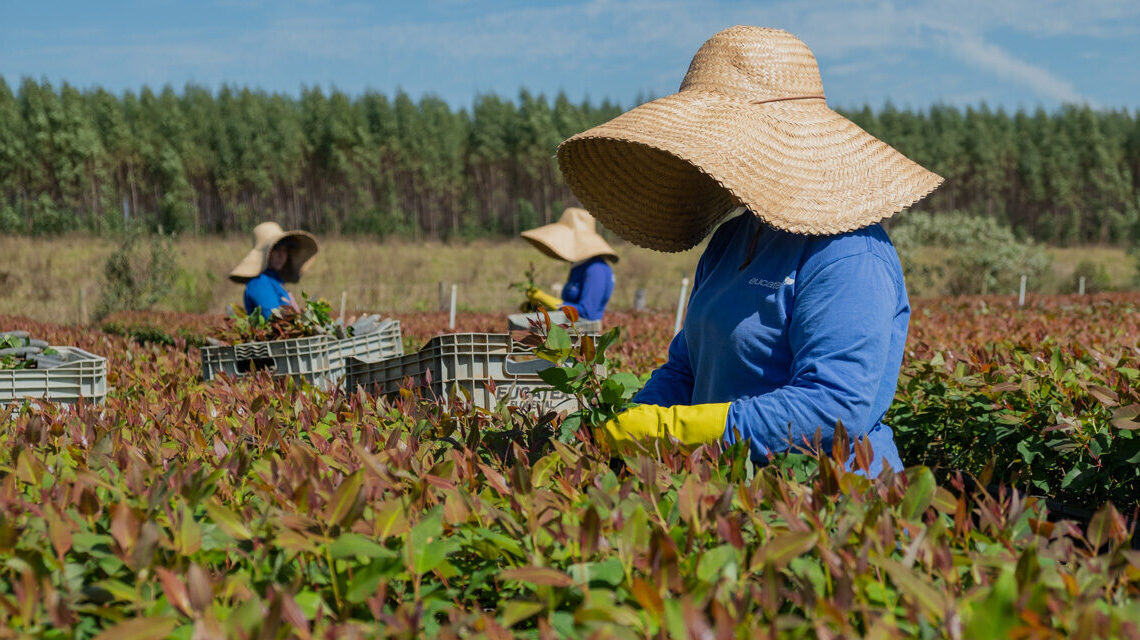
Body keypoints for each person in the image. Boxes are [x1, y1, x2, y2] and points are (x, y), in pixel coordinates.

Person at [555, 26, 943, 475]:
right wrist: (633, 422)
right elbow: (686, 368)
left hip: (830, 499)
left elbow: (833, 409)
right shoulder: (731, 240)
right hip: (728, 489)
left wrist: (681, 430)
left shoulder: (849, 254)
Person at [513, 207, 618, 327]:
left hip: (585, 333)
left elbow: (587, 313)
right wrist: (541, 308)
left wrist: (547, 299)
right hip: (571, 329)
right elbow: (570, 306)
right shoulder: (578, 266)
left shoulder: (596, 269)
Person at [228, 222, 319, 319]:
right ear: (265, 254)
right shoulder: (259, 283)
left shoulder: (275, 281)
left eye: (284, 250)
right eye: (276, 249)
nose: (281, 255)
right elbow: (274, 319)